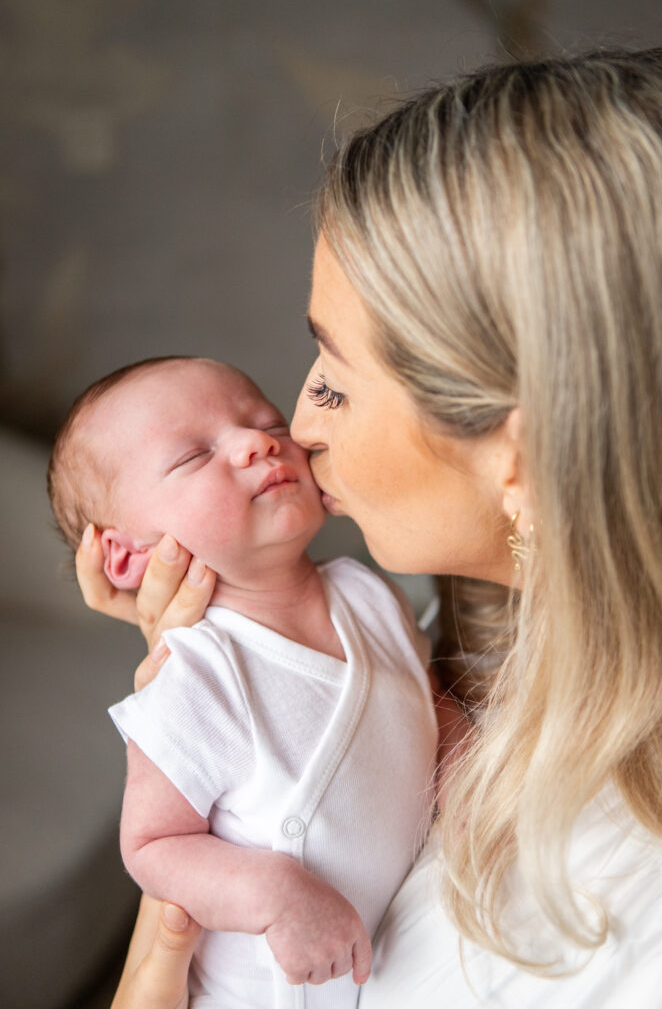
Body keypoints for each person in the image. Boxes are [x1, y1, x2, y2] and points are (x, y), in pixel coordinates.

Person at [74, 48, 662, 1008]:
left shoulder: (634, 927)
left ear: (520, 457)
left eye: (334, 384)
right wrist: (223, 656)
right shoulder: (449, 629)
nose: (297, 430)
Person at [48, 356, 439, 1008]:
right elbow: (153, 844)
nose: (258, 442)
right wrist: (275, 895)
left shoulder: (368, 595)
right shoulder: (194, 677)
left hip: (391, 958)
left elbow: (416, 701)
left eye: (267, 422)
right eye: (195, 455)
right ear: (126, 554)